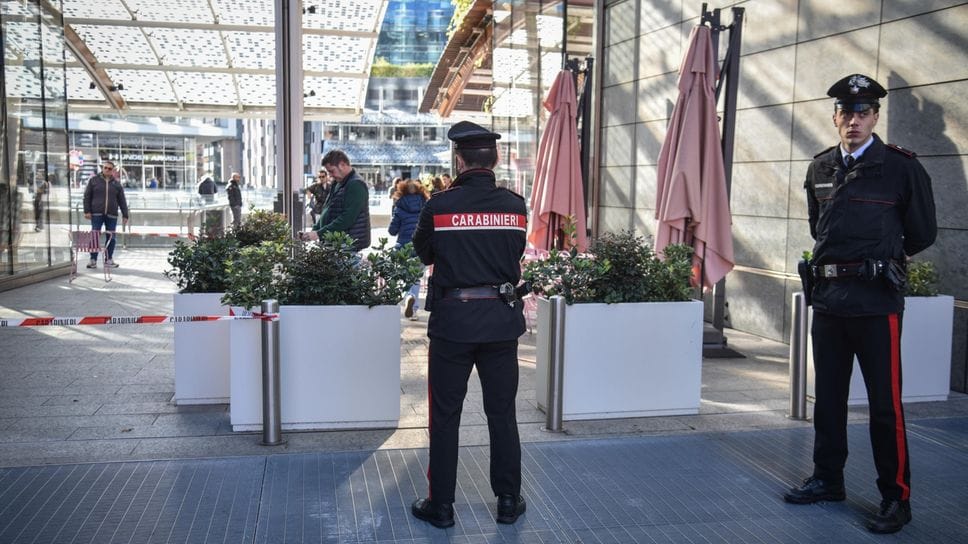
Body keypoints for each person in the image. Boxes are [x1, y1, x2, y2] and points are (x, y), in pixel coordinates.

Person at [785, 74, 937, 534]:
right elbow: (819, 229)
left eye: (863, 112)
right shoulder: (820, 168)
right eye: (845, 113)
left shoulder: (902, 168)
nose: (853, 120)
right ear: (835, 118)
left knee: (884, 406)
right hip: (829, 301)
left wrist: (883, 259)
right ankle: (828, 480)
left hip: (876, 305)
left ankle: (896, 498)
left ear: (875, 117)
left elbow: (923, 232)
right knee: (828, 399)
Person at [410, 121, 529, 528]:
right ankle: (508, 501)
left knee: (445, 416)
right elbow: (514, 254)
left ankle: (441, 505)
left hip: (453, 324)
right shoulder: (516, 206)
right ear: (494, 160)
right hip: (500, 323)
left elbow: (424, 253)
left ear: (459, 160)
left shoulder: (438, 207)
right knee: (502, 413)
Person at [301, 150, 370, 251]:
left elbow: (347, 218)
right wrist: (314, 231)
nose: (330, 175)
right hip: (337, 243)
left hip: (348, 245)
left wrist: (318, 233)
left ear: (342, 164)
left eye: (332, 171)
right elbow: (327, 209)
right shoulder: (337, 182)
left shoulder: (356, 184)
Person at [388, 179, 429, 320]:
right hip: (420, 247)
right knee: (416, 278)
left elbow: (392, 231)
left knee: (406, 277)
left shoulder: (399, 207)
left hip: (403, 246)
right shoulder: (425, 205)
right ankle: (414, 308)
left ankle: (409, 298)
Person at [83, 161, 130, 269]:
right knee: (95, 236)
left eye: (110, 168)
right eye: (105, 168)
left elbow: (122, 200)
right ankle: (93, 259)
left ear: (113, 170)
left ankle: (109, 259)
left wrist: (125, 214)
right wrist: (87, 211)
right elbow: (87, 197)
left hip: (112, 215)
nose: (107, 170)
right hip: (96, 214)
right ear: (102, 168)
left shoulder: (117, 184)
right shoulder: (94, 181)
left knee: (111, 237)